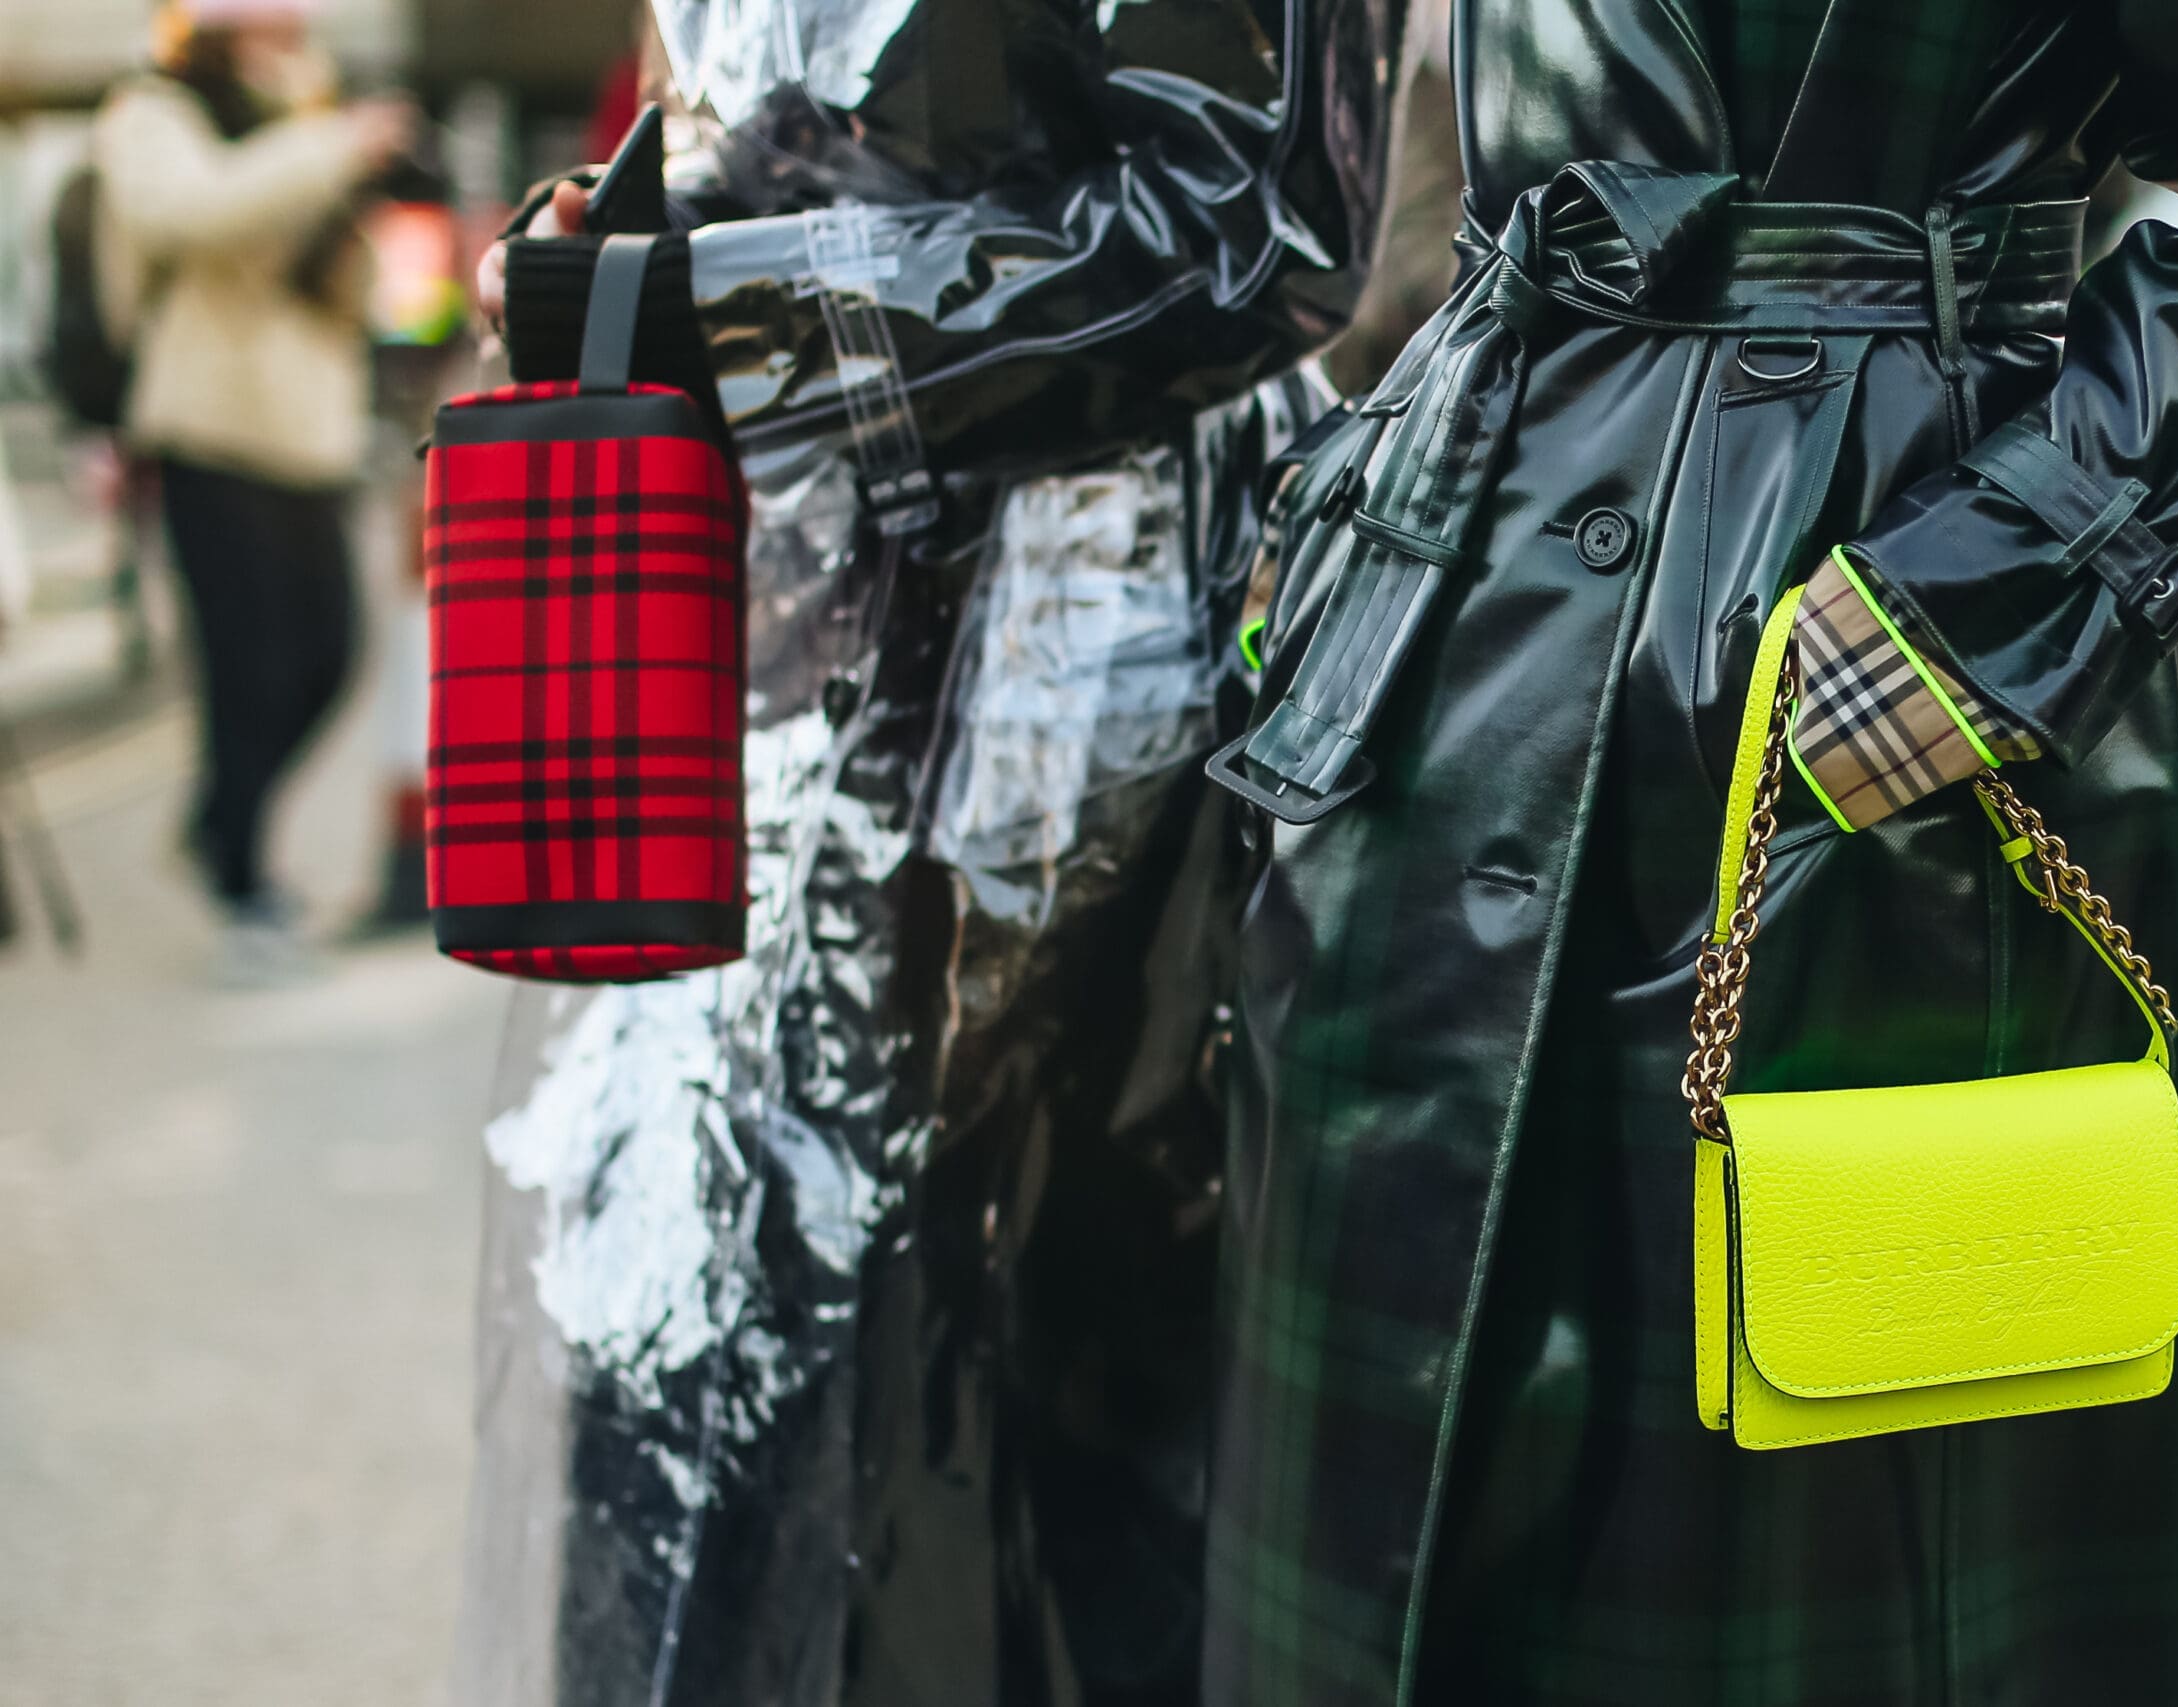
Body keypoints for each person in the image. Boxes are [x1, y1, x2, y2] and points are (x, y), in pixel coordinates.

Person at [1209, 1, 2178, 1702]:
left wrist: (1988, 594)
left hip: (1866, 662)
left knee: (1839, 1460)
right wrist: (1340, 500)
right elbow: (1289, 178)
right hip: (1453, 640)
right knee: (1387, 1478)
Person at [454, 1, 1406, 1700]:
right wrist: (617, 257)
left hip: (1081, 686)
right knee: (703, 1306)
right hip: (760, 640)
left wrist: (738, 310)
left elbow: (1253, 230)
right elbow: (759, 143)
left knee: (1004, 1358)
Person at [92, 0, 414, 983]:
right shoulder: (154, 112)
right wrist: (333, 145)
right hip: (209, 431)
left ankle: (215, 822)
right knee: (248, 671)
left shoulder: (309, 112)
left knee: (329, 656)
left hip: (309, 438)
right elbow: (193, 213)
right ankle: (243, 887)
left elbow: (349, 280)